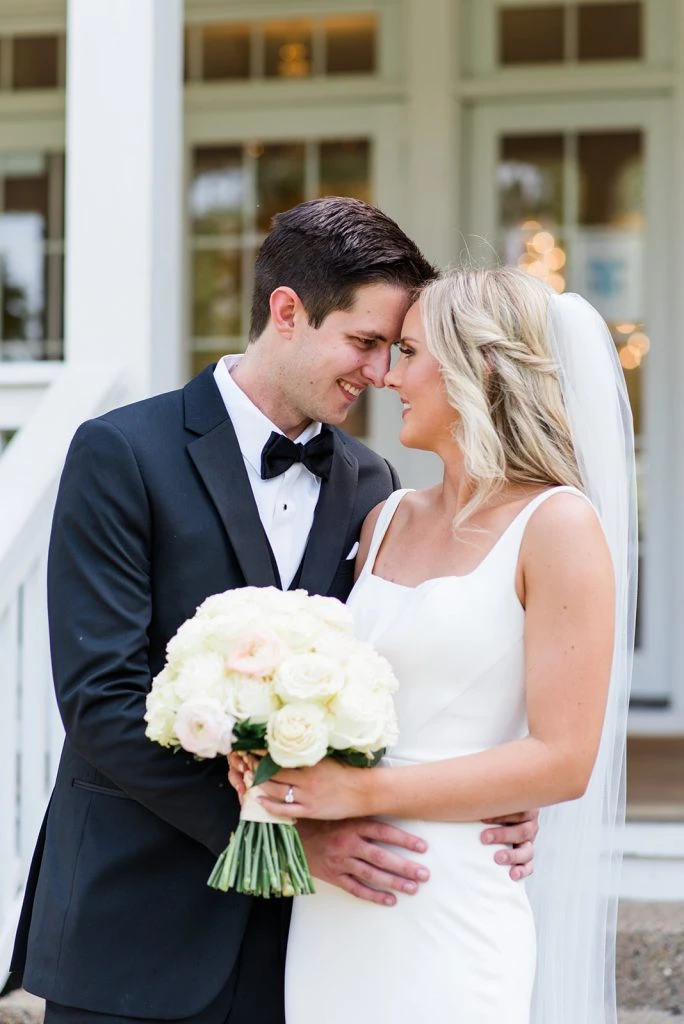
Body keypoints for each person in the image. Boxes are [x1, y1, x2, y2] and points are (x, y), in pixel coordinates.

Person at [11, 200, 538, 1024]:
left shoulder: (372, 486)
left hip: (301, 946)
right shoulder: (121, 453)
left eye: (396, 350)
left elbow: (395, 674)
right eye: (365, 343)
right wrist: (293, 838)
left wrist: (489, 792)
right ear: (287, 311)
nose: (380, 373)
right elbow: (100, 702)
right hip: (134, 928)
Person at [255, 267, 637, 1023]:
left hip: (450, 898)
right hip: (333, 906)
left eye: (407, 352)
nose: (386, 376)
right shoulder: (386, 516)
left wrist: (364, 793)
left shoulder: (557, 525)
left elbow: (563, 760)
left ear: (480, 367)